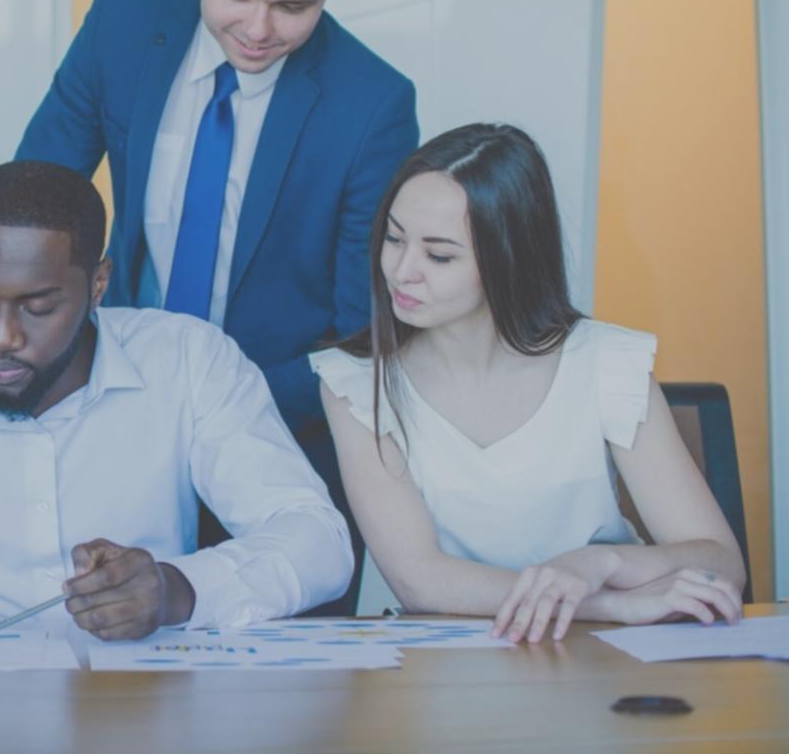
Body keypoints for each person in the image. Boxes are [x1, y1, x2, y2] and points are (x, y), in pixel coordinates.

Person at [15, 0, 417, 611]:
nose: (258, 29)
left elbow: (364, 333)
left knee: (289, 722)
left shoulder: (374, 104)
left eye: (293, 6)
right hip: (112, 437)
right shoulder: (122, 23)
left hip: (282, 449)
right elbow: (32, 205)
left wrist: (206, 411)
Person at [0, 161, 351, 636]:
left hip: (149, 721)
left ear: (99, 284)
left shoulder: (187, 361)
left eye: (38, 307)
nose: (0, 336)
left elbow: (318, 541)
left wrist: (174, 588)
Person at [310, 123, 746, 643]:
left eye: (439, 255)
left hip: (605, 662)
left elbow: (721, 561)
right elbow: (419, 581)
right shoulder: (355, 383)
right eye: (394, 238)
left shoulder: (607, 361)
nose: (402, 271)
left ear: (507, 258)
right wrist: (609, 604)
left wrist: (598, 563)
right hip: (443, 674)